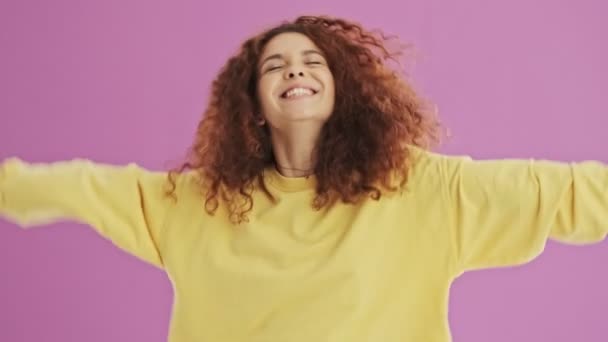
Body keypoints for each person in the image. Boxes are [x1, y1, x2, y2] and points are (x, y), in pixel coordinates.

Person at [0, 14, 606, 342]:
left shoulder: (421, 189)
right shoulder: (195, 205)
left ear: (344, 93)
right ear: (254, 105)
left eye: (314, 61)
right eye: (276, 65)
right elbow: (79, 186)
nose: (297, 70)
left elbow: (559, 192)